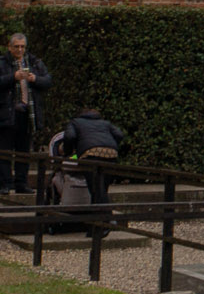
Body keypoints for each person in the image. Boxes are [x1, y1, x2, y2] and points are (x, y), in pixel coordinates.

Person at [0, 31, 52, 192]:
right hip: (7, 112)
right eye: (16, 47)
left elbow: (48, 81)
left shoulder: (34, 62)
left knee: (24, 151)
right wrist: (13, 77)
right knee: (5, 151)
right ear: (9, 47)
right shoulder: (2, 63)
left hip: (28, 113)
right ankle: (5, 184)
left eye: (23, 47)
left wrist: (34, 79)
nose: (20, 50)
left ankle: (21, 183)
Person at [57, 107, 127, 206]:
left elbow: (70, 136)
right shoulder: (105, 123)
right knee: (103, 188)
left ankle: (104, 216)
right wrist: (110, 144)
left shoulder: (75, 122)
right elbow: (119, 134)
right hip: (111, 153)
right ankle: (99, 213)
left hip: (90, 154)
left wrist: (68, 152)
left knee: (95, 188)